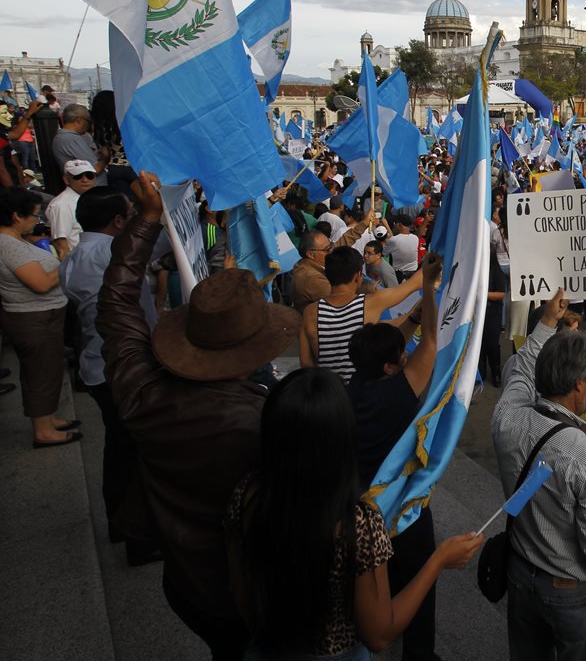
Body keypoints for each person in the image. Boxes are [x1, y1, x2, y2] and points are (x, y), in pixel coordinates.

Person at [97, 171, 301, 659]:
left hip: (186, 582)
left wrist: (146, 220)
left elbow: (116, 302)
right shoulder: (266, 422)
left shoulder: (143, 396)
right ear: (257, 350)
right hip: (251, 588)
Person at [224, 368, 482, 660]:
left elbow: (242, 598)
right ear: (342, 439)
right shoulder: (358, 525)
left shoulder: (245, 497)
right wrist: (438, 561)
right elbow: (378, 635)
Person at [491, 287, 586, 661]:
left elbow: (522, 366)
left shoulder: (507, 418)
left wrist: (548, 320)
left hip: (520, 574)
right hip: (572, 593)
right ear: (580, 384)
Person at [346, 265, 443, 660]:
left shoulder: (355, 385)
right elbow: (432, 341)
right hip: (402, 506)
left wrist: (415, 313)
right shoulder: (397, 395)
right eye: (401, 355)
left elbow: (401, 339)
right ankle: (418, 653)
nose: (407, 356)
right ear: (390, 367)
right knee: (418, 574)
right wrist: (430, 288)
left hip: (362, 503)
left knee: (381, 575)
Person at [61, 186, 161, 564]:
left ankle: (120, 523)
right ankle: (140, 538)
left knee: (119, 448)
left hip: (98, 364)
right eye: (130, 213)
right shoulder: (111, 254)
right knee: (138, 452)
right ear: (119, 221)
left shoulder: (74, 258)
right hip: (123, 367)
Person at [0, 186, 79, 447]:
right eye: (35, 215)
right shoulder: (9, 245)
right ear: (16, 216)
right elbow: (41, 284)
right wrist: (67, 262)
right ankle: (43, 431)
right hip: (33, 318)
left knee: (46, 370)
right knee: (40, 373)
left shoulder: (16, 240)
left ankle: (47, 418)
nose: (37, 221)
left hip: (40, 317)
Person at [299, 246, 426, 383]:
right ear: (357, 276)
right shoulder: (370, 303)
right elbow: (414, 284)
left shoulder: (310, 312)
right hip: (363, 390)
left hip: (329, 391)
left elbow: (306, 363)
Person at [291, 217, 371, 314]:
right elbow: (341, 297)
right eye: (327, 249)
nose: (332, 252)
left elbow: (342, 242)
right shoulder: (310, 278)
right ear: (311, 254)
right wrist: (365, 285)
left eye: (330, 247)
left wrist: (364, 224)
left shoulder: (317, 259)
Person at [45, 159, 96, 258]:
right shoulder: (61, 204)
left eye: (89, 175)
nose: (85, 180)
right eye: (78, 176)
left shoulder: (91, 199)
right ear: (67, 180)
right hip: (79, 259)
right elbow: (60, 243)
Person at [52, 102, 108, 186]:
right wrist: (105, 156)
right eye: (88, 121)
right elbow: (95, 169)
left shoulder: (67, 137)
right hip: (91, 188)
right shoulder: (70, 138)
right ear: (79, 120)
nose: (88, 125)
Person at [480, 245, 507, 387]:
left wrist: (483, 294)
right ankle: (481, 372)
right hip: (479, 313)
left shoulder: (496, 271)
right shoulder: (476, 271)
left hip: (493, 313)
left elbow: (501, 294)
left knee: (492, 344)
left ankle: (496, 373)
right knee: (480, 343)